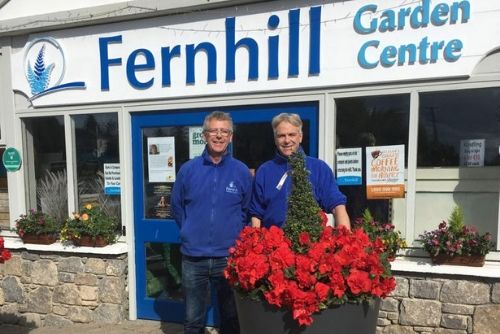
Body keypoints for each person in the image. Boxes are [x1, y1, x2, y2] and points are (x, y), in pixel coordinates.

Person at [170, 111, 252, 334]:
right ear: (205, 135)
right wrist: (189, 231)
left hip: (228, 257)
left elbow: (246, 210)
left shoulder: (241, 171)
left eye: (224, 131)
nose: (219, 136)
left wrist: (235, 239)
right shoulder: (188, 170)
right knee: (192, 319)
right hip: (193, 257)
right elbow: (177, 206)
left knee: (231, 316)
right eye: (214, 131)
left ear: (231, 137)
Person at [250, 113, 350, 229]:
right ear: (275, 139)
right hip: (274, 243)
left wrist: (345, 237)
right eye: (281, 136)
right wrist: (255, 240)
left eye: (291, 134)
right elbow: (256, 213)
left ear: (300, 137)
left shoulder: (319, 168)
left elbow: (337, 205)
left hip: (310, 242)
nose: (287, 140)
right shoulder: (264, 171)